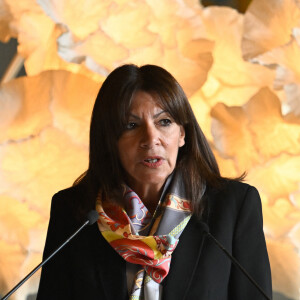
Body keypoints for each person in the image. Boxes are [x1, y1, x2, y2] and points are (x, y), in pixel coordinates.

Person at [36, 64, 272, 300]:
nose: (151, 138)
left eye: (164, 122)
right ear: (110, 140)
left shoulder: (233, 206)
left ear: (182, 134)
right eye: (131, 125)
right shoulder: (74, 213)